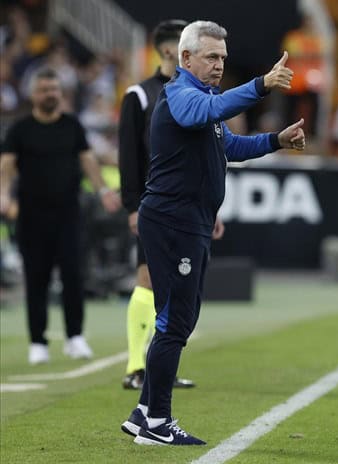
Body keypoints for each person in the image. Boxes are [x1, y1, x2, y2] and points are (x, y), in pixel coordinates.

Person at [120, 20, 305, 446]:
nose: (220, 64)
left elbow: (230, 149)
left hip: (187, 221)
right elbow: (205, 115)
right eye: (211, 56)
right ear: (185, 59)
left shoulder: (207, 101)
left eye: (223, 57)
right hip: (174, 222)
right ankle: (158, 424)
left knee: (174, 319)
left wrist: (277, 139)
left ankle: (145, 412)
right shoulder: (181, 96)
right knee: (176, 321)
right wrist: (261, 85)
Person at [0, 67, 121, 365]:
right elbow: (6, 165)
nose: (50, 94)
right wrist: (3, 195)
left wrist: (103, 190)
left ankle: (74, 337)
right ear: (33, 94)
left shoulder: (72, 126)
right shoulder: (20, 129)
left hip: (69, 214)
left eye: (54, 89)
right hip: (31, 215)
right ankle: (38, 342)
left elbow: (88, 161)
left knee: (73, 275)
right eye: (44, 90)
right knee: (36, 279)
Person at [118, 19, 199, 391]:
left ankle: (160, 366)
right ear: (171, 51)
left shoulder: (196, 94)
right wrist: (133, 205)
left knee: (175, 287)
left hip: (189, 209)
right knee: (147, 277)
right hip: (154, 206)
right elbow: (128, 155)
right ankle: (136, 367)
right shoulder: (139, 95)